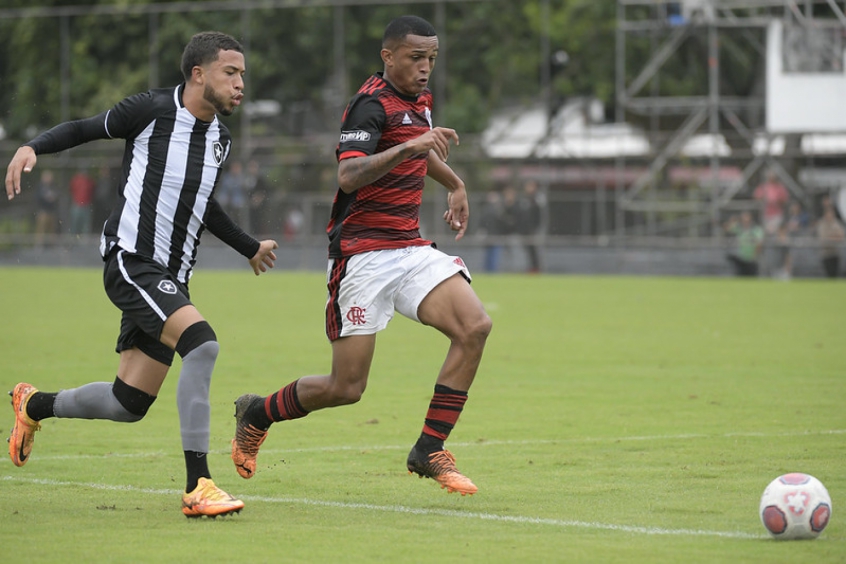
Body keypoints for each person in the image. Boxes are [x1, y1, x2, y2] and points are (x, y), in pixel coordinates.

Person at [4, 31, 279, 518]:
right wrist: (33, 147)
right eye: (230, 73)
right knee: (203, 342)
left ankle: (32, 405)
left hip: (172, 275)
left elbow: (203, 205)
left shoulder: (220, 138)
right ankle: (199, 486)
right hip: (132, 261)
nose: (240, 84)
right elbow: (84, 128)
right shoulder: (150, 110)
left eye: (243, 75)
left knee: (126, 402)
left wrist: (249, 247)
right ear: (198, 74)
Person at [229, 15, 491, 496]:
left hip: (408, 248)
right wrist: (410, 145)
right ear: (388, 56)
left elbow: (420, 149)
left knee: (474, 326)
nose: (426, 67)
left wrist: (455, 182)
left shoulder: (420, 101)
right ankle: (257, 412)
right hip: (361, 255)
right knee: (346, 388)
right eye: (416, 58)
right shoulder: (369, 104)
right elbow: (349, 176)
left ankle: (429, 449)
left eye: (431, 58)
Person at [724, 211, 764, 277]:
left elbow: (759, 243)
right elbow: (727, 228)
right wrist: (732, 221)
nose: (745, 222)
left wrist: (755, 255)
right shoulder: (740, 230)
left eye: (747, 220)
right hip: (742, 258)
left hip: (752, 259)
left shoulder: (756, 230)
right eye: (743, 220)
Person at [517, 179, 544, 273]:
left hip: (533, 230)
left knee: (534, 250)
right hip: (524, 230)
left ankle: (536, 268)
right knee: (527, 250)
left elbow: (538, 216)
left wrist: (535, 228)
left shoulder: (536, 199)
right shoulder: (524, 199)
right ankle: (530, 267)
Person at [753, 172, 789, 236]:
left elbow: (785, 199)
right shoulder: (764, 186)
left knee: (775, 231)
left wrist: (776, 201)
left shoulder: (780, 187)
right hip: (765, 213)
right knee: (766, 232)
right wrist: (763, 199)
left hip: (777, 213)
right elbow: (756, 196)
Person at [816, 205, 845, 278]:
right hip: (826, 254)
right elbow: (823, 238)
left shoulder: (836, 223)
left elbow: (841, 236)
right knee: (828, 276)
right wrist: (834, 237)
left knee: (835, 275)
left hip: (835, 253)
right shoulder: (822, 223)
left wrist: (832, 237)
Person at [33, 169, 59, 247]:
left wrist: (53, 198)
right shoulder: (40, 187)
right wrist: (45, 198)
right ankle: (39, 244)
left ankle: (52, 244)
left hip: (51, 210)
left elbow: (57, 195)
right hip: (43, 211)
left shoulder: (53, 186)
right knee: (41, 229)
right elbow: (37, 197)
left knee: (52, 228)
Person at [68, 168, 96, 235]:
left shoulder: (88, 181)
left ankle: (82, 240)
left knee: (85, 225)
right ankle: (74, 238)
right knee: (75, 224)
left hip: (85, 205)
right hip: (77, 204)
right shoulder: (76, 180)